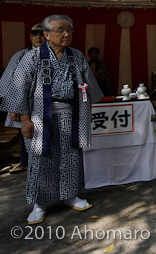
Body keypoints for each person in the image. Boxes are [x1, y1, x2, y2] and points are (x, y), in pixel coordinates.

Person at [2, 15, 103, 225]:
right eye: (60, 30)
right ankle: (39, 203)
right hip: (40, 115)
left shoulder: (76, 56)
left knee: (70, 157)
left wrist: (86, 111)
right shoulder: (32, 57)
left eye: (69, 30)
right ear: (47, 35)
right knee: (41, 159)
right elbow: (20, 88)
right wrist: (25, 120)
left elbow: (87, 86)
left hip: (70, 113)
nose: (66, 34)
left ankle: (70, 195)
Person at [0, 23, 46, 174]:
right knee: (25, 134)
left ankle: (44, 166)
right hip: (25, 103)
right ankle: (27, 164)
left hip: (47, 103)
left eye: (41, 33)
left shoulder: (54, 55)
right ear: (30, 36)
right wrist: (13, 106)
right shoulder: (20, 55)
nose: (38, 37)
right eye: (34, 34)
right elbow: (9, 81)